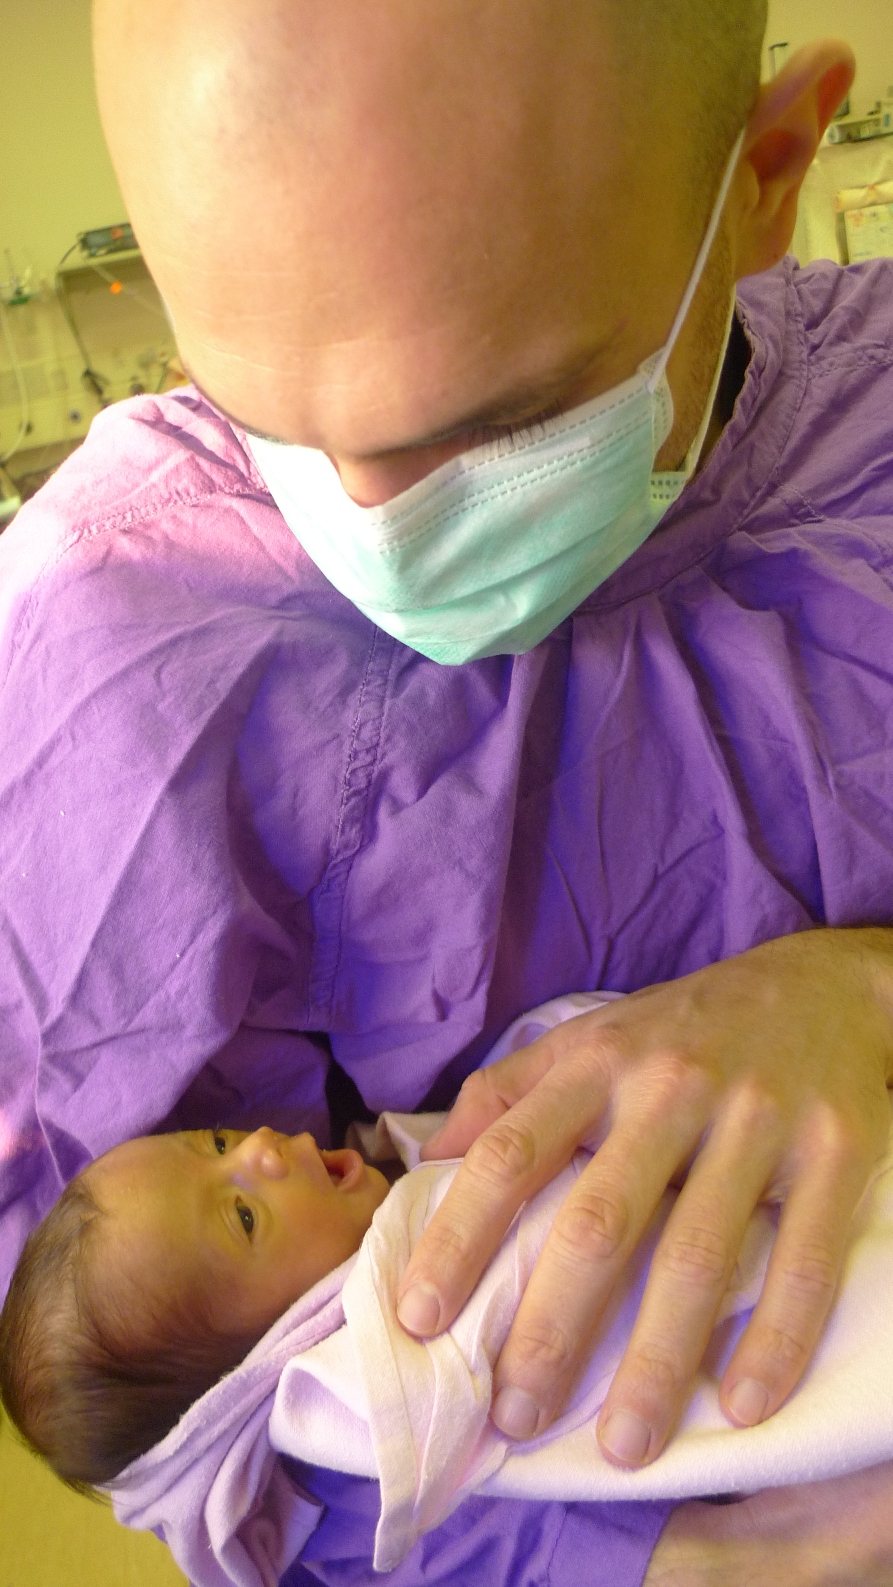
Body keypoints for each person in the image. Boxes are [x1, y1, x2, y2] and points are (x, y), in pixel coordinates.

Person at [2, 0, 893, 1580]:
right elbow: (151, 1387)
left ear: (765, 175)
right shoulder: (105, 631)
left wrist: (865, 988)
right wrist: (659, 1556)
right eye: (257, 413)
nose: (374, 522)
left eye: (497, 419)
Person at [8, 988, 890, 1585]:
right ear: (251, 1374)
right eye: (242, 1215)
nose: (261, 1149)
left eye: (214, 1143)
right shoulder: (360, 1410)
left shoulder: (402, 1153)